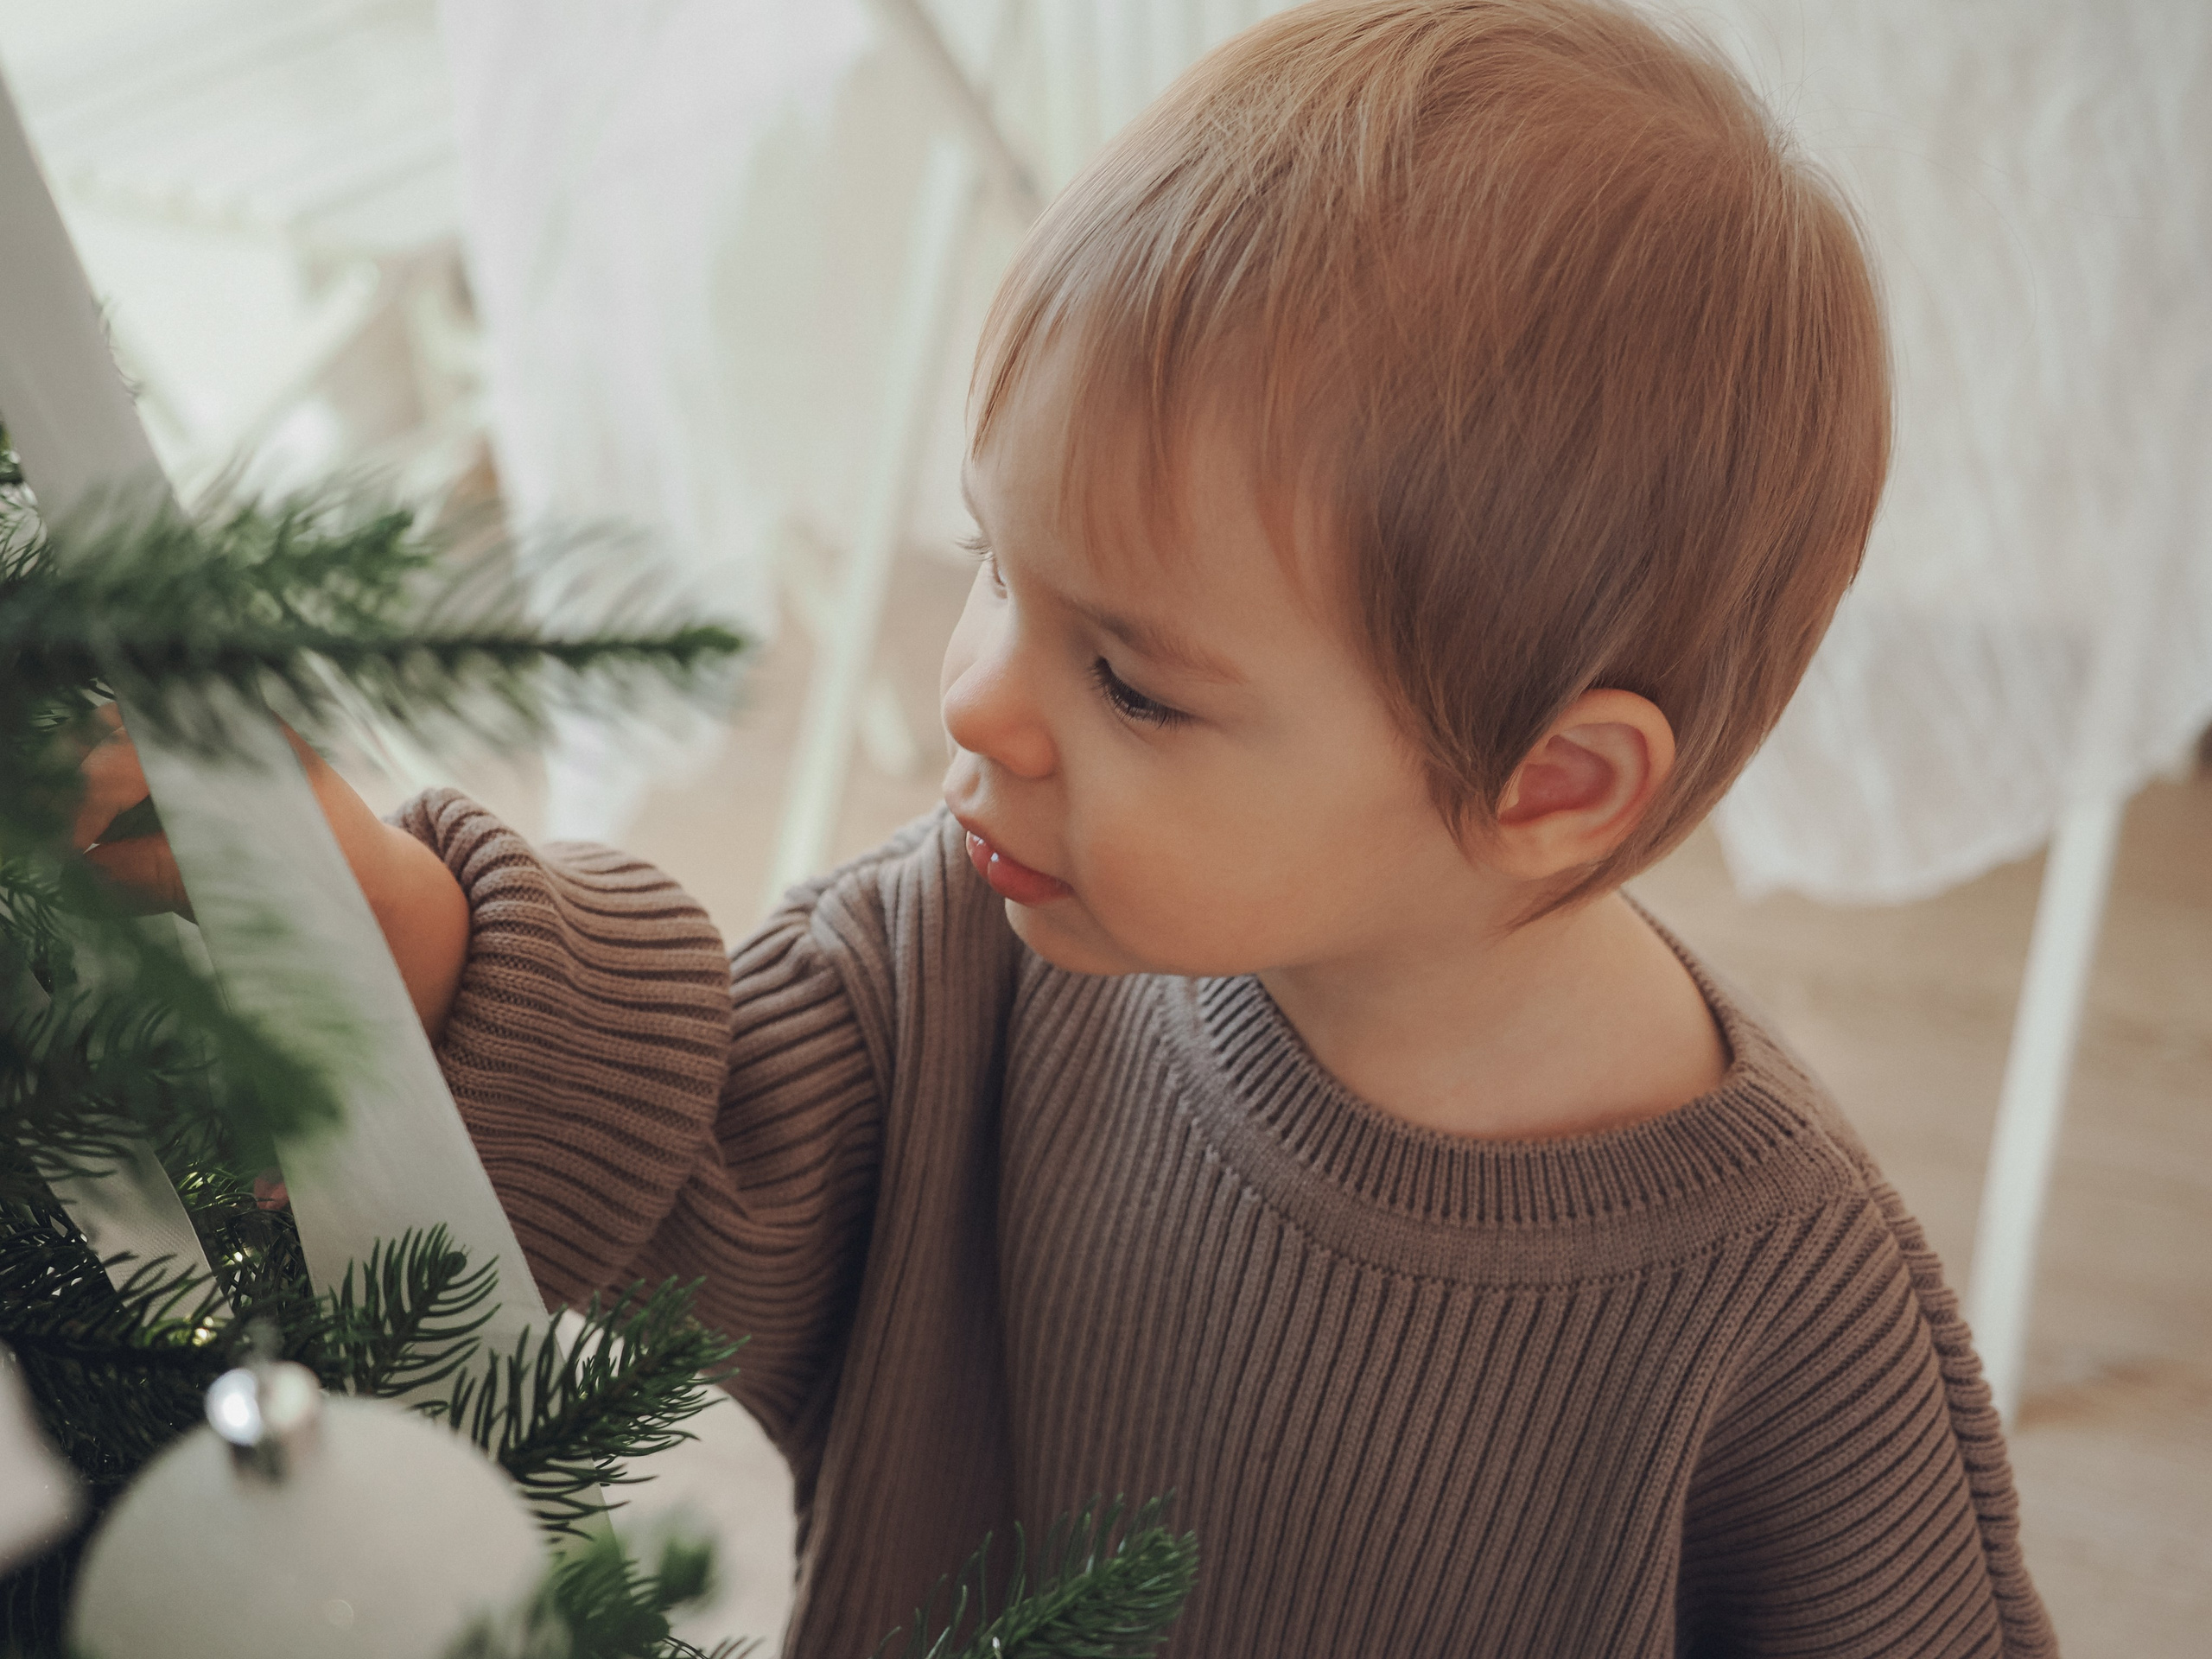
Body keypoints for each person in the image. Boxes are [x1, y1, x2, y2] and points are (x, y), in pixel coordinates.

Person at [79, 2, 2056, 1653]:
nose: (974, 698)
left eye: (1131, 679)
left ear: (1551, 786)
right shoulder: (972, 958)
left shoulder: (1784, 1319)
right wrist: (360, 896)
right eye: (988, 563)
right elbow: (674, 1149)